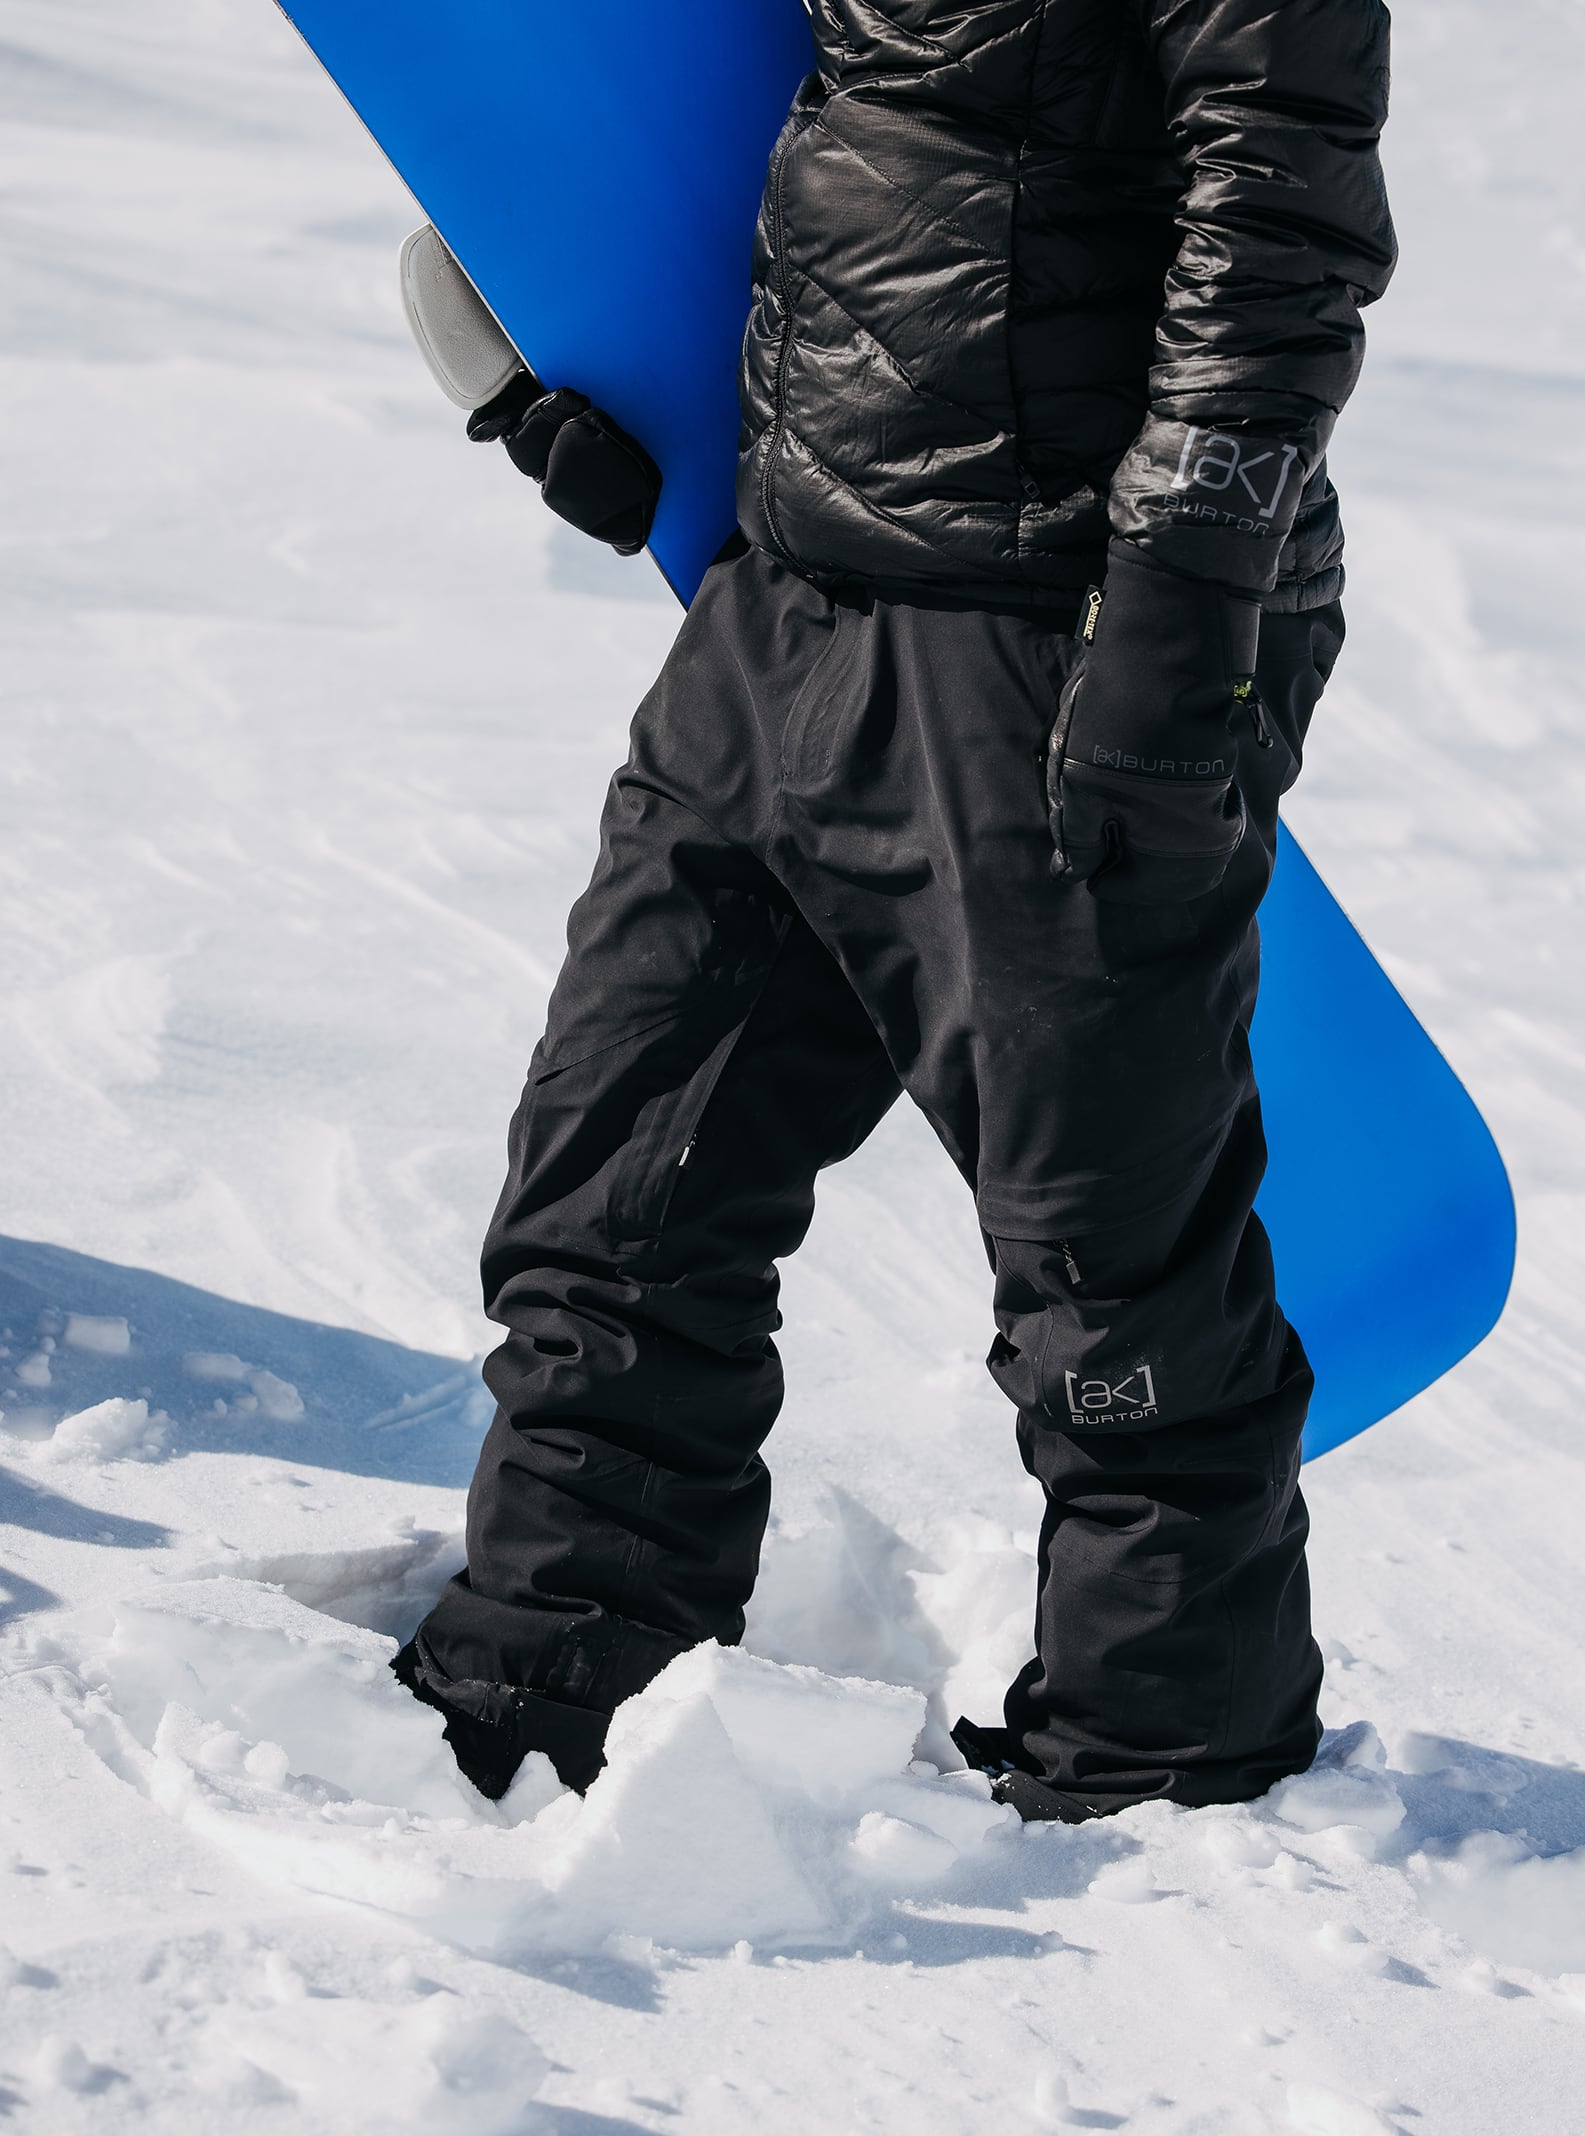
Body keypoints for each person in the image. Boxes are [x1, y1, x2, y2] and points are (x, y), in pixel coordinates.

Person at [394, 0, 1397, 1823]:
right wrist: (602, 379)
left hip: (1054, 624)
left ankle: (1164, 1774)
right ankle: (548, 1667)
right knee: (615, 1194)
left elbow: (1278, 219)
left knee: (1108, 1283)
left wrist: (1174, 630)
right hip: (785, 585)